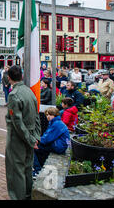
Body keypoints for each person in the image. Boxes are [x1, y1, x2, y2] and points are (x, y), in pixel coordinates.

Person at [5, 65, 41, 200]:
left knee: (16, 170)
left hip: (17, 138)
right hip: (30, 134)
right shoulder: (29, 91)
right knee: (27, 168)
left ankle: (18, 197)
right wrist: (35, 136)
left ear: (9, 78)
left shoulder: (14, 95)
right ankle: (27, 195)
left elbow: (17, 123)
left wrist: (30, 139)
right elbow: (36, 116)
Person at [33, 107, 70, 176]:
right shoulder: (55, 122)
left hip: (59, 146)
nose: (48, 116)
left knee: (33, 148)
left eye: (50, 114)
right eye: (47, 115)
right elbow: (47, 136)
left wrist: (36, 141)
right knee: (39, 149)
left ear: (55, 115)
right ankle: (39, 167)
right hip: (58, 144)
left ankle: (37, 170)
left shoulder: (56, 124)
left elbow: (47, 138)